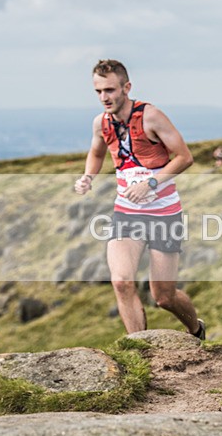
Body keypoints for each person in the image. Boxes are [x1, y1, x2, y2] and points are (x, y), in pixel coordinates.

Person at [74, 59, 204, 339]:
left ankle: (196, 329)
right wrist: (88, 177)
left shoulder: (151, 116)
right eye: (98, 91)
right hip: (127, 212)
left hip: (164, 214)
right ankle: (140, 349)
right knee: (121, 281)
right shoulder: (101, 123)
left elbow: (184, 157)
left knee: (164, 297)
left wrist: (151, 182)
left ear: (126, 87)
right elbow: (96, 153)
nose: (104, 97)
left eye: (109, 90)